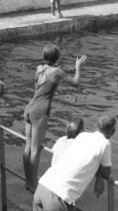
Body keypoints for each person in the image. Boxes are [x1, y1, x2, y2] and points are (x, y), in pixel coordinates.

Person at [30, 114, 116, 211]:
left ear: (95, 126)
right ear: (112, 131)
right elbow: (106, 170)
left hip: (43, 187)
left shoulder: (82, 136)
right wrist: (100, 178)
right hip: (60, 197)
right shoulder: (105, 144)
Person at [23, 43, 87, 192]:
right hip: (40, 111)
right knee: (35, 150)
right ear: (57, 57)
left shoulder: (39, 68)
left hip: (29, 107)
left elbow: (37, 89)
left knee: (28, 147)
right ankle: (33, 184)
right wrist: (78, 66)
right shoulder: (57, 71)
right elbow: (76, 83)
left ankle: (27, 180)